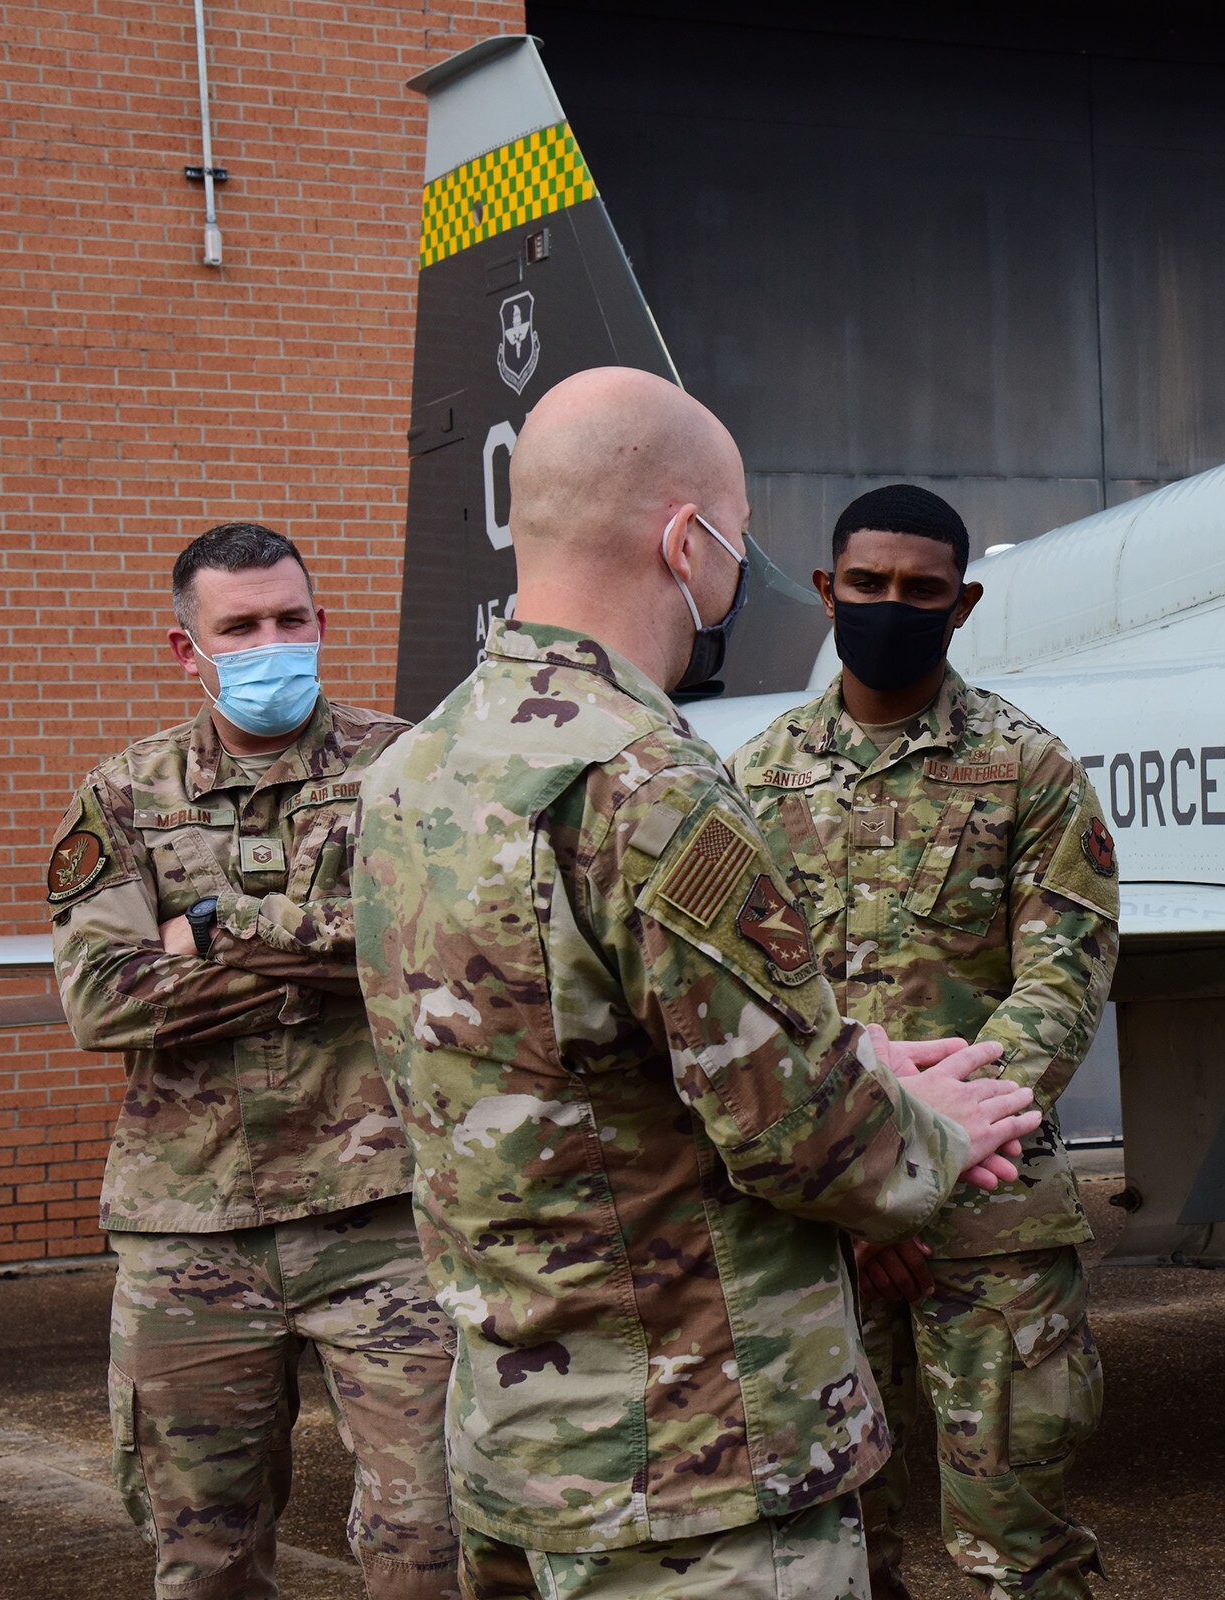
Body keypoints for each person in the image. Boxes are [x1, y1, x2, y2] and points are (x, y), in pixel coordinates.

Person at [352, 369, 1047, 1600]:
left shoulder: (412, 767)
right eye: (735, 546)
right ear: (688, 541)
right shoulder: (646, 783)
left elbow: (556, 1064)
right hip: (696, 1466)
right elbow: (802, 1142)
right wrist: (926, 1128)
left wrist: (856, 1056)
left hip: (519, 1445)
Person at [47, 523, 456, 1600]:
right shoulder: (124, 797)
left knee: (434, 1546)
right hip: (190, 1231)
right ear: (189, 648)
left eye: (289, 619)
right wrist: (325, 951)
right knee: (204, 1557)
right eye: (240, 626)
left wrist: (210, 926)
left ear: (322, 625)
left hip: (384, 1223)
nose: (271, 641)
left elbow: (425, 954)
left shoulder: (407, 767)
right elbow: (99, 999)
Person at [727, 485, 1118, 1599]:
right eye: (867, 586)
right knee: (833, 1548)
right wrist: (857, 1190)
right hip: (817, 1234)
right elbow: (742, 1011)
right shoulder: (754, 777)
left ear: (963, 603)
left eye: (919, 590)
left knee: (1019, 1546)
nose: (890, 606)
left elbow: (1062, 981)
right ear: (825, 590)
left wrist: (917, 1176)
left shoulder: (1027, 770)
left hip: (986, 1220)